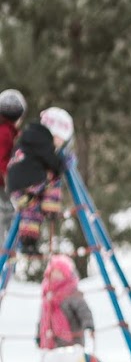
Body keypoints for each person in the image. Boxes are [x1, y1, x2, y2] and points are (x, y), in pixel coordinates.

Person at [5, 106, 73, 257]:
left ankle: (28, 243)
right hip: (31, 181)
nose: (60, 144)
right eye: (61, 140)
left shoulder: (29, 137)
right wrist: (64, 163)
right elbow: (53, 163)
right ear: (55, 133)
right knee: (54, 177)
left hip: (15, 188)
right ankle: (51, 207)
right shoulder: (42, 139)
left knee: (31, 209)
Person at [36, 254, 94, 350]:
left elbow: (84, 311)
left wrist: (88, 326)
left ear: (66, 274)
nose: (55, 275)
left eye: (59, 272)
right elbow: (43, 318)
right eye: (53, 272)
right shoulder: (48, 295)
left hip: (72, 343)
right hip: (51, 343)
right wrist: (39, 335)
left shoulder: (71, 293)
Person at [0, 88, 25, 241]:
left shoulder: (9, 132)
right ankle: (6, 252)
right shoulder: (5, 133)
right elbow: (2, 164)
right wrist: (11, 186)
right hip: (2, 185)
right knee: (6, 212)